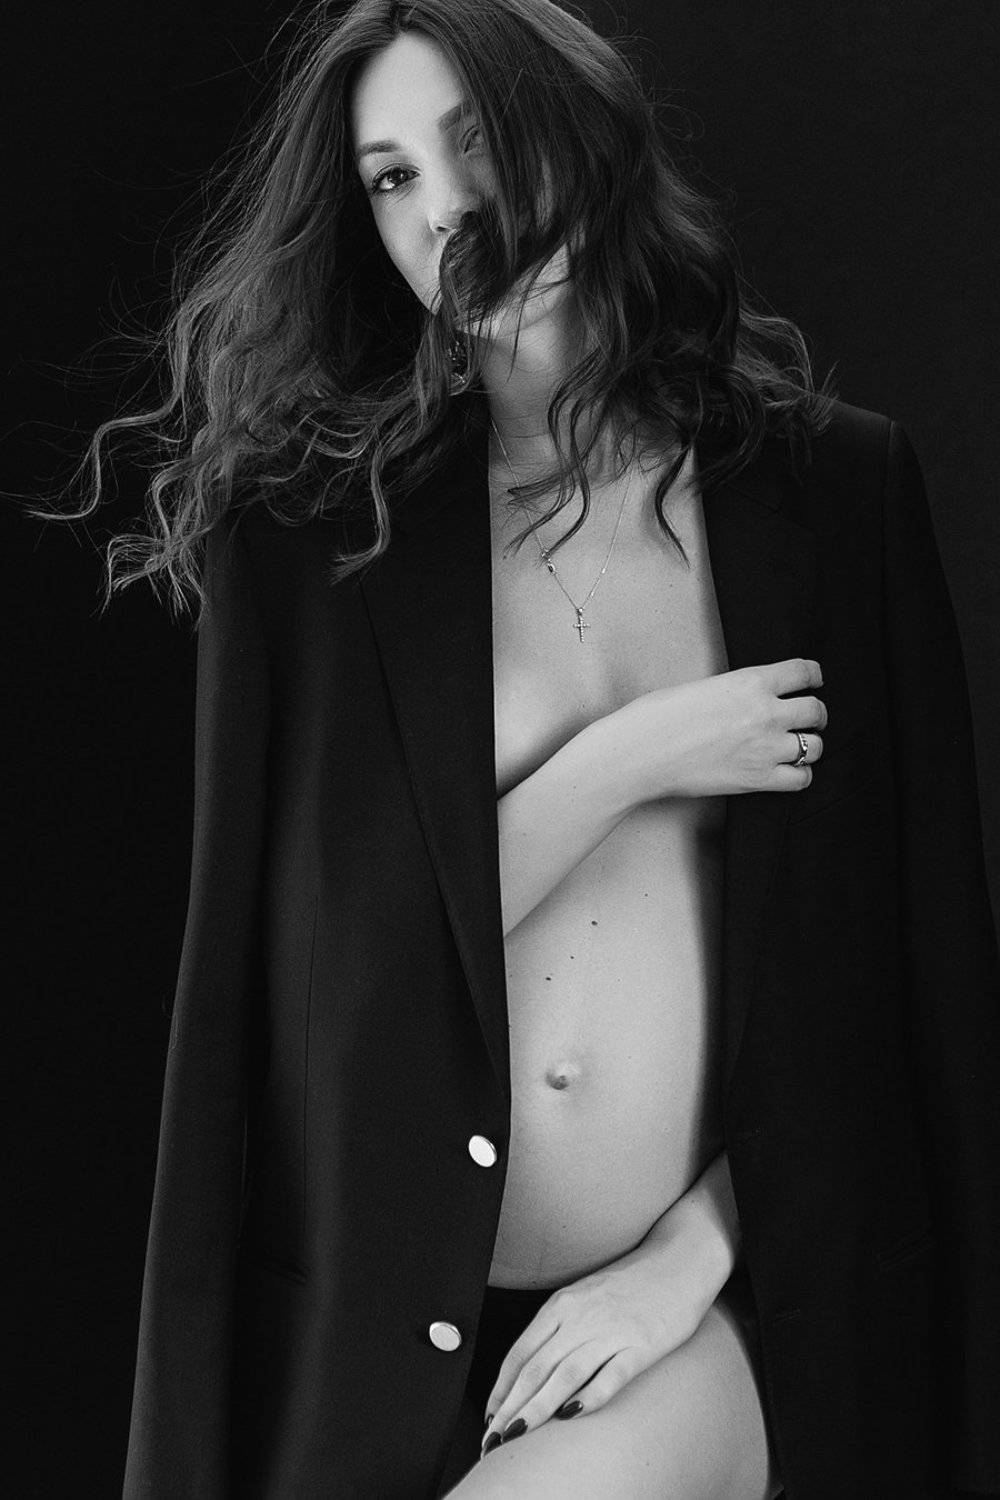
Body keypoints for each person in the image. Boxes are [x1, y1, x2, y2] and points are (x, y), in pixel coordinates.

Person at [33, 1, 999, 1495]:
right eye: (391, 177)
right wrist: (632, 758)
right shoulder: (309, 543)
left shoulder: (834, 491)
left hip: (726, 1313)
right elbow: (318, 994)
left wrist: (690, 1260)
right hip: (379, 1335)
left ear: (578, 133)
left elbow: (904, 985)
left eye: (473, 140)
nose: (444, 210)